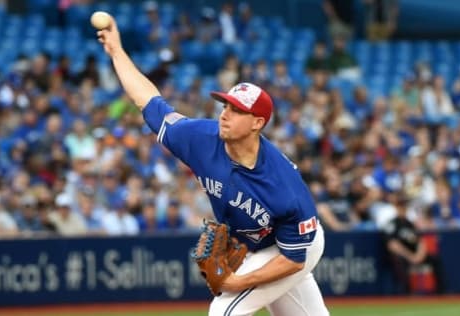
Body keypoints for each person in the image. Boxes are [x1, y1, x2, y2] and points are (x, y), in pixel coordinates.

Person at [96, 16, 329, 316]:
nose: (225, 114)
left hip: (296, 248)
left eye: (237, 110)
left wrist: (240, 280)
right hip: (262, 247)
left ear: (258, 122)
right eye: (226, 106)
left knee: (224, 311)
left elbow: (294, 260)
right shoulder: (201, 139)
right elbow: (149, 101)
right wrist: (117, 51)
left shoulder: (282, 184)